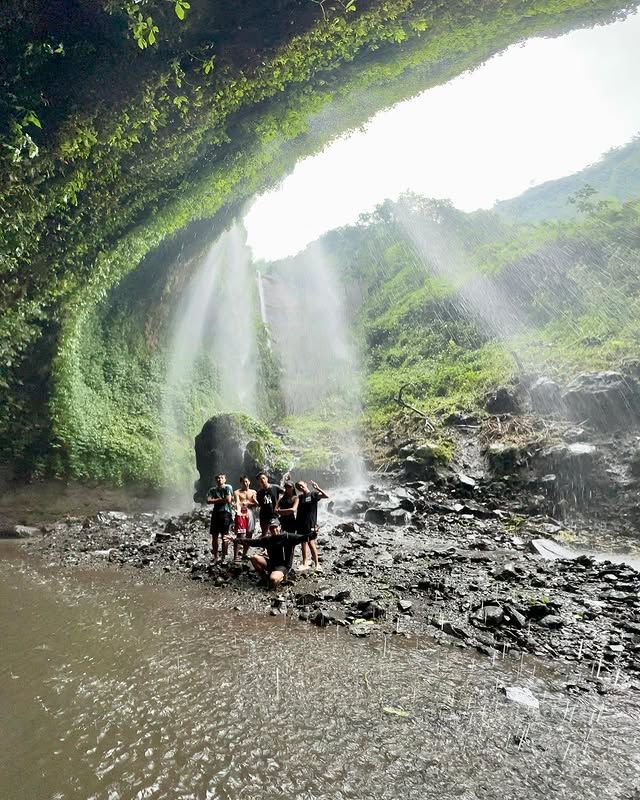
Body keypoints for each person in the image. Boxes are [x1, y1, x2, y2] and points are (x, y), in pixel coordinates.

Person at [236, 516, 311, 588]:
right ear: (269, 529)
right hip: (272, 563)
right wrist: (235, 539)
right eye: (271, 528)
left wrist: (313, 534)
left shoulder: (288, 537)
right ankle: (264, 578)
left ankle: (282, 577)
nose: (274, 530)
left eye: (276, 527)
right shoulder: (268, 539)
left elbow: (303, 538)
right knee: (254, 558)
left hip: (283, 566)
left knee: (273, 579)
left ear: (280, 527)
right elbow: (252, 542)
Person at [295, 479, 329, 572]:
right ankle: (304, 562)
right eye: (299, 487)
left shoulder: (313, 494)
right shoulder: (300, 497)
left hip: (310, 523)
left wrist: (317, 488)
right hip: (301, 523)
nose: (301, 487)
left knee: (311, 543)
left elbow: (326, 496)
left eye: (302, 485)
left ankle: (317, 564)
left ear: (305, 484)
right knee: (303, 543)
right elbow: (298, 511)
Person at [206, 473, 234, 563]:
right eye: (218, 478)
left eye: (222, 478)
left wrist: (215, 500)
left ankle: (224, 556)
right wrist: (221, 500)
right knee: (214, 536)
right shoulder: (212, 489)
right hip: (216, 513)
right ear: (216, 480)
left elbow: (228, 499)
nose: (219, 479)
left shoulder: (227, 487)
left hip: (226, 513)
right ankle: (215, 556)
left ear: (225, 480)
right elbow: (208, 501)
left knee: (224, 536)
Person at [233, 475, 258, 562]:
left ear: (249, 482)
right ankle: (235, 557)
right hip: (241, 513)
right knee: (240, 534)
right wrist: (239, 512)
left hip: (251, 513)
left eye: (246, 481)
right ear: (241, 483)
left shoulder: (253, 492)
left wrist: (248, 503)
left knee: (249, 534)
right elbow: (237, 503)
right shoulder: (237, 492)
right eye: (243, 482)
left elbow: (257, 504)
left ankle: (244, 554)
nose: (245, 483)